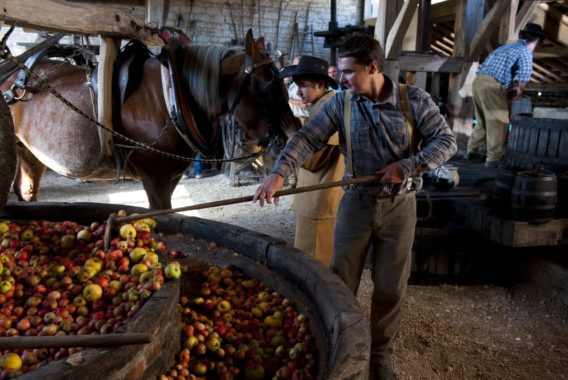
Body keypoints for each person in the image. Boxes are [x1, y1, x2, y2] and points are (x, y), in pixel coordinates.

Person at [253, 34, 456, 379]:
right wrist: (278, 174)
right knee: (340, 283)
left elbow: (446, 142)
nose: (342, 79)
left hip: (400, 206)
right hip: (356, 205)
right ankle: (340, 346)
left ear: (373, 67)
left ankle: (380, 356)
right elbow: (308, 138)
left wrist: (405, 167)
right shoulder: (342, 103)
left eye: (347, 72)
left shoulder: (413, 101)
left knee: (390, 288)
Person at [279, 55, 342, 266]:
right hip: (314, 196)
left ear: (321, 84)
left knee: (313, 265)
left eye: (303, 86)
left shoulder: (327, 109)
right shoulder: (319, 106)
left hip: (319, 198)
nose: (297, 92)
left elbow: (315, 161)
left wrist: (291, 134)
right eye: (297, 86)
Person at [465, 23, 545, 168]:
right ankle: (494, 159)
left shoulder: (505, 47)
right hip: (492, 85)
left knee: (482, 120)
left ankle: (472, 151)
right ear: (535, 41)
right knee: (499, 121)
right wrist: (519, 89)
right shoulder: (525, 50)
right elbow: (524, 74)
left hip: (478, 82)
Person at [286, 56, 310, 125]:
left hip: (304, 120)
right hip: (294, 119)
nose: (293, 68)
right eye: (293, 65)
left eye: (295, 65)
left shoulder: (307, 83)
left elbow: (304, 105)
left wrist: (288, 99)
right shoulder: (293, 83)